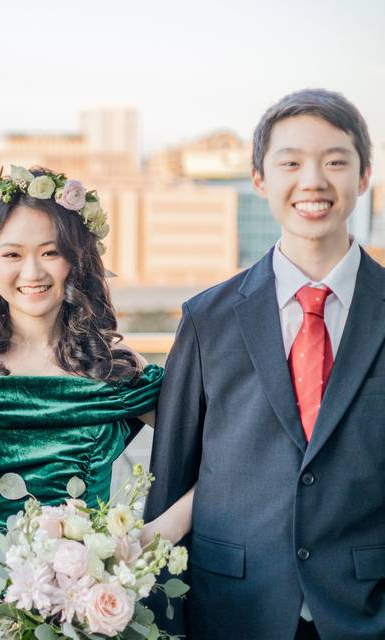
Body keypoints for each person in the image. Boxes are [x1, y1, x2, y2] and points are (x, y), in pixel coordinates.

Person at [144, 88, 383, 639]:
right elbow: (171, 473)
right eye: (291, 162)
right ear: (260, 179)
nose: (313, 181)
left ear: (364, 175)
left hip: (365, 611)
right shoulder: (207, 319)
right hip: (233, 608)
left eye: (335, 161)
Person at [0, 166, 166, 639]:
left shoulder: (117, 366)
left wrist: (135, 548)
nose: (32, 272)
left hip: (87, 616)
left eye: (50, 253)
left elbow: (213, 458)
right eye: (13, 254)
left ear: (75, 260)